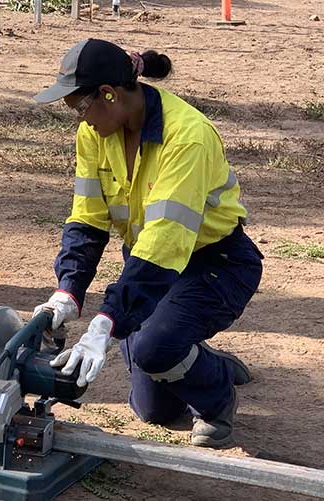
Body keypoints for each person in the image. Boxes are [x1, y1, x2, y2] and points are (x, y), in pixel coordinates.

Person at [33, 39, 263, 448]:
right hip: (150, 263)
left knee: (155, 349)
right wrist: (66, 291)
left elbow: (165, 241)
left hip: (215, 264)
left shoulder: (187, 137)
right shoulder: (97, 134)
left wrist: (106, 322)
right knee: (153, 410)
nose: (81, 122)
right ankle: (199, 357)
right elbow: (88, 218)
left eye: (81, 109)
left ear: (109, 94)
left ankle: (216, 395)